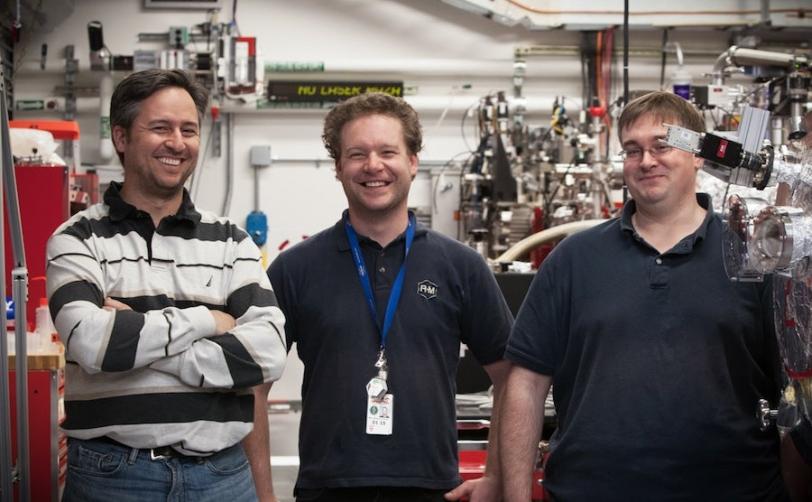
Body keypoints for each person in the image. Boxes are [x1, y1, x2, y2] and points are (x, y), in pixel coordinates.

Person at [499, 91, 788, 500]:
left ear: (699, 154)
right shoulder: (573, 259)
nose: (646, 161)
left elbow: (794, 392)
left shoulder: (753, 254)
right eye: (632, 151)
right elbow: (525, 384)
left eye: (662, 145)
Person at [46, 69, 287, 502]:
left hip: (222, 476)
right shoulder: (76, 238)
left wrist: (136, 337)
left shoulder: (232, 240)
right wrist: (208, 320)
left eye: (188, 130)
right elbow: (93, 346)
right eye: (160, 128)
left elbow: (267, 355)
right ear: (121, 137)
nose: (177, 142)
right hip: (113, 477)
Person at [267, 92, 512, 502]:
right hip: (326, 489)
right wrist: (262, 494)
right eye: (357, 154)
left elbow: (511, 376)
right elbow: (252, 388)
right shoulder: (295, 269)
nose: (373, 166)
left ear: (413, 162)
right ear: (339, 167)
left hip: (433, 489)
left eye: (388, 151)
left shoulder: (461, 266)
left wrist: (495, 475)